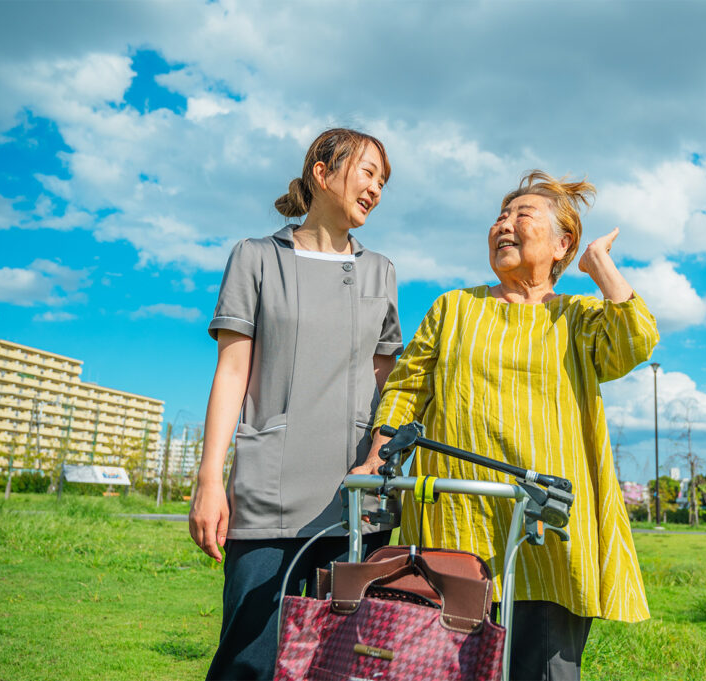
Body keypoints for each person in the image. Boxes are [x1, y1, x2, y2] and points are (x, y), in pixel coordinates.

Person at [356, 170, 658, 681]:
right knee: (443, 665)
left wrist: (600, 265)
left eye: (523, 215)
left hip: (548, 526)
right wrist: (373, 460)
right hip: (455, 520)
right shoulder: (454, 307)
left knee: (544, 670)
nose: (504, 225)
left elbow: (635, 341)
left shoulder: (580, 317)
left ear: (563, 244)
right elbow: (406, 389)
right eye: (500, 216)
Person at [189, 128, 402, 681]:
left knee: (341, 664)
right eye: (367, 171)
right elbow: (232, 370)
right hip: (267, 492)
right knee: (248, 659)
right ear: (321, 171)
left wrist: (382, 463)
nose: (376, 188)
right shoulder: (256, 258)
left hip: (358, 499)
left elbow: (390, 383)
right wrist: (211, 479)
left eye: (383, 180)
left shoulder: (381, 271)